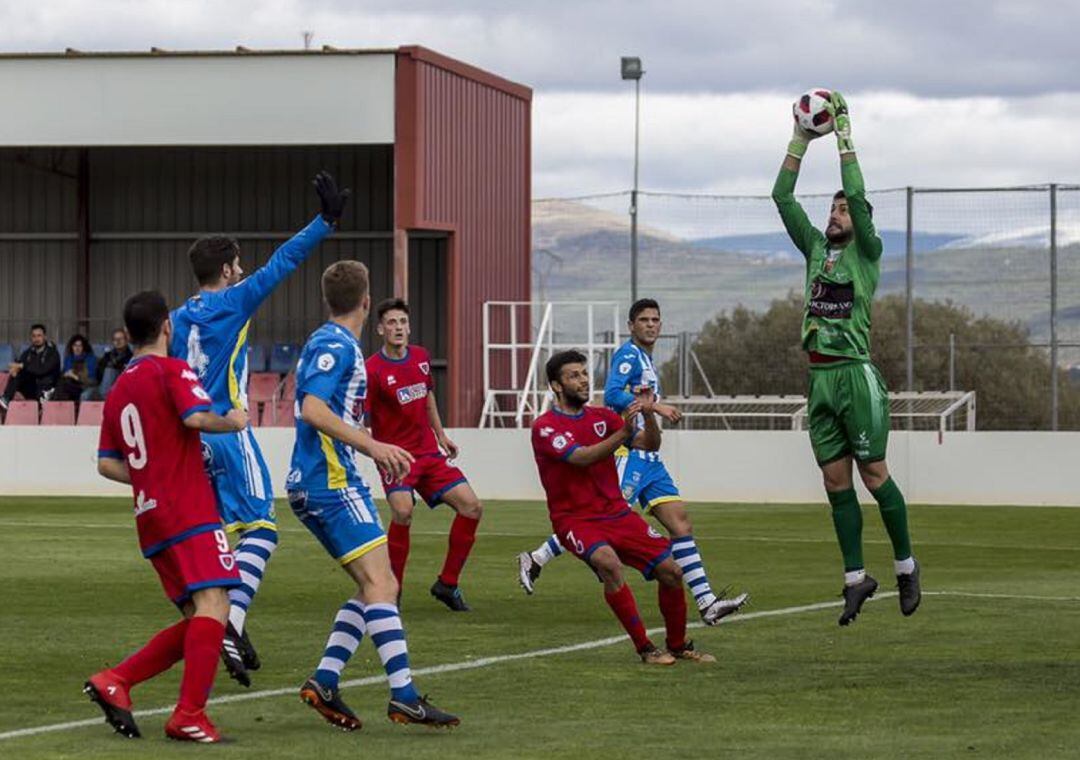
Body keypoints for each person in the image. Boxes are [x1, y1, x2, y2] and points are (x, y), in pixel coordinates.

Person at [170, 171, 348, 682]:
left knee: (219, 535)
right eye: (237, 264)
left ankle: (214, 620)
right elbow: (283, 263)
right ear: (226, 270)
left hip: (192, 435)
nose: (243, 270)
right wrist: (325, 222)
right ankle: (232, 621)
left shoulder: (180, 318)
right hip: (228, 427)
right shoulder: (236, 299)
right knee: (263, 529)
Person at [288, 261, 459, 730]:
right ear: (367, 303)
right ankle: (403, 696)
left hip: (322, 482)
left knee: (373, 587)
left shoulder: (332, 343)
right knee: (384, 587)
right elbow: (312, 409)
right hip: (330, 483)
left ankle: (325, 681)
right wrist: (375, 445)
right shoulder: (336, 344)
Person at [772, 91, 920, 625]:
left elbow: (858, 194)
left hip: (855, 375)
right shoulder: (815, 247)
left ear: (858, 219)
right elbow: (781, 196)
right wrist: (799, 140)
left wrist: (843, 134)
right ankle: (856, 578)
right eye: (831, 208)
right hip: (818, 379)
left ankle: (906, 566)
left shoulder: (867, 252)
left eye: (841, 209)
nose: (834, 213)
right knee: (836, 484)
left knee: (875, 474)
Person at [518, 299, 749, 626]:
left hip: (649, 455)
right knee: (604, 515)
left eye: (656, 319)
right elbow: (613, 394)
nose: (651, 325)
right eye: (644, 320)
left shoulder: (646, 359)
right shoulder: (628, 355)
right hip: (629, 452)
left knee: (680, 523)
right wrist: (656, 408)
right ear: (632, 326)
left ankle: (706, 601)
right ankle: (536, 557)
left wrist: (650, 411)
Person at [85, 290, 249, 743]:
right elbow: (197, 418)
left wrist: (150, 481)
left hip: (151, 516)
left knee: (201, 616)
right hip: (188, 510)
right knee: (216, 605)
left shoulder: (118, 389)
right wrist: (233, 421)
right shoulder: (172, 369)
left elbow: (106, 463)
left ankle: (115, 680)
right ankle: (189, 715)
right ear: (166, 328)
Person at [531, 349, 714, 665]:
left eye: (585, 373)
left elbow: (650, 444)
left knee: (671, 571)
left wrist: (647, 414)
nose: (583, 380)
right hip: (575, 520)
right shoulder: (545, 426)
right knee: (608, 563)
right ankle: (645, 649)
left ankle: (678, 644)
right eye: (574, 375)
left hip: (617, 514)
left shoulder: (603, 417)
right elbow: (582, 457)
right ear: (556, 386)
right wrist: (623, 433)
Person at [366, 298, 483, 611]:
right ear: (380, 329)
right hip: (397, 458)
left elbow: (428, 395)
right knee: (403, 511)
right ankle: (393, 590)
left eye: (402, 322)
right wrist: (376, 451)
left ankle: (448, 583)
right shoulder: (372, 370)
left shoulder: (420, 357)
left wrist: (441, 434)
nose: (398, 328)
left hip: (429, 454)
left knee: (472, 507)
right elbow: (360, 419)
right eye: (391, 323)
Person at [0, 323, 61, 411]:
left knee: (24, 370)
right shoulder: (28, 353)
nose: (36, 339)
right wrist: (14, 371)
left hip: (48, 388)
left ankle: (42, 404)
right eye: (34, 336)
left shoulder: (52, 353)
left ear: (45, 337)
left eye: (39, 336)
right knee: (17, 373)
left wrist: (22, 366)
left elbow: (42, 370)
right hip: (33, 387)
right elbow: (20, 365)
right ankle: (5, 400)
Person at [91, 328, 134, 399]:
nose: (117, 341)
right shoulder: (107, 355)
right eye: (115, 339)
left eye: (120, 339)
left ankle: (106, 399)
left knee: (110, 370)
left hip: (122, 386)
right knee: (86, 395)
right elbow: (98, 373)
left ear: (126, 341)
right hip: (104, 386)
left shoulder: (131, 357)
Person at [54, 334, 98, 401]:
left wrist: (76, 377)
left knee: (64, 386)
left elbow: (92, 381)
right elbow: (66, 375)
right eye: (75, 345)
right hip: (71, 386)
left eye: (80, 346)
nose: (77, 348)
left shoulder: (90, 359)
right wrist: (66, 375)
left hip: (85, 386)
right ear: (71, 347)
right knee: (63, 384)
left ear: (84, 347)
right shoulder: (69, 359)